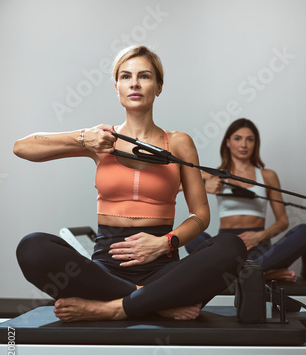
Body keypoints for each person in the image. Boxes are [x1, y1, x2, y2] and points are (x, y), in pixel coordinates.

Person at [13, 45, 247, 322]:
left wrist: (165, 244)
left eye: (145, 76)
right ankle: (152, 301)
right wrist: (82, 137)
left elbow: (201, 216)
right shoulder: (99, 139)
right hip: (106, 271)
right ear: (116, 87)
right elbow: (22, 147)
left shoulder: (179, 142)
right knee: (32, 247)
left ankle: (110, 308)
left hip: (164, 267)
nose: (134, 83)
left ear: (159, 86)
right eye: (126, 76)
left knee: (232, 248)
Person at [185, 118, 306, 282]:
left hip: (259, 247)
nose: (244, 145)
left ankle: (243, 273)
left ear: (256, 144)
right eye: (238, 138)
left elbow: (283, 221)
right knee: (190, 235)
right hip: (226, 248)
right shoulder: (214, 174)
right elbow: (174, 185)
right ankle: (261, 273)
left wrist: (259, 236)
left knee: (305, 231)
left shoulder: (268, 176)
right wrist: (204, 184)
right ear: (228, 143)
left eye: (250, 139)